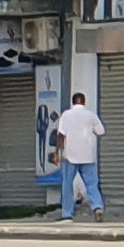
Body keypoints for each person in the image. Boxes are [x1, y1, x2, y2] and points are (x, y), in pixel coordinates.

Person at [51, 86, 106, 222]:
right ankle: (97, 207)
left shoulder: (66, 115)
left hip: (70, 156)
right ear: (84, 102)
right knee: (92, 184)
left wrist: (57, 152)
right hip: (87, 156)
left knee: (67, 185)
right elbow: (101, 132)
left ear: (73, 102)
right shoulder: (91, 115)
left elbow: (61, 136)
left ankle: (67, 214)